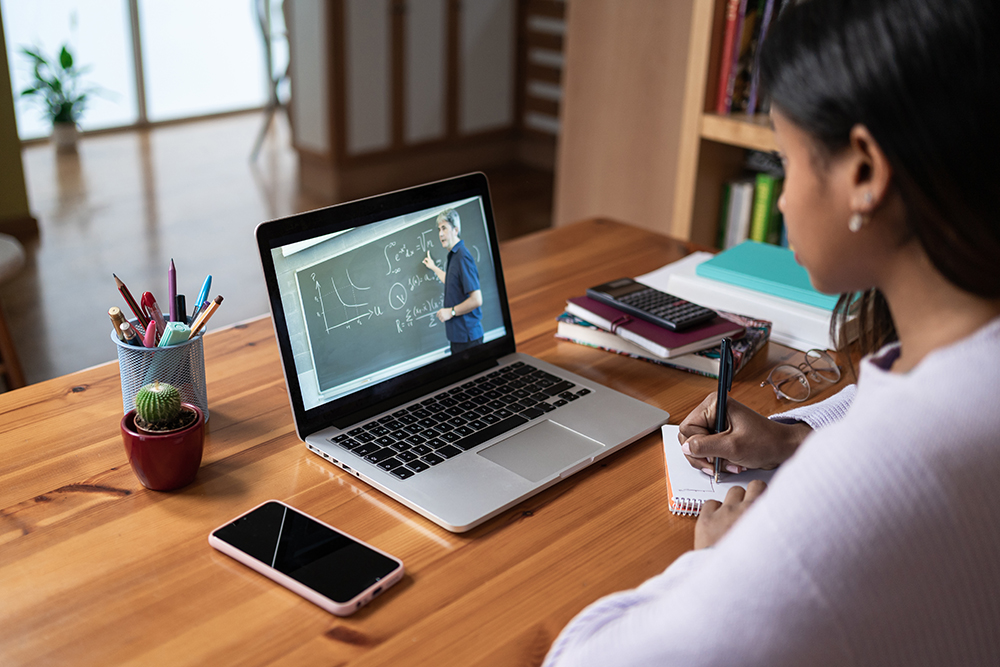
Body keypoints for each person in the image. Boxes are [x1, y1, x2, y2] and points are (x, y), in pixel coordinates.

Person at [544, 0, 1000, 664]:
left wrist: (717, 561)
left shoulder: (860, 493)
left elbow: (579, 659)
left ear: (865, 171)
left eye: (785, 160)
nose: (781, 199)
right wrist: (797, 434)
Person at [422, 208, 484, 354]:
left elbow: (476, 300)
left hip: (468, 340)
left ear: (455, 230)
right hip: (459, 338)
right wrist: (434, 268)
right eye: (439, 229)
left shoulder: (462, 257)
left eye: (444, 228)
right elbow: (451, 283)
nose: (440, 234)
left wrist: (451, 311)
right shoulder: (454, 256)